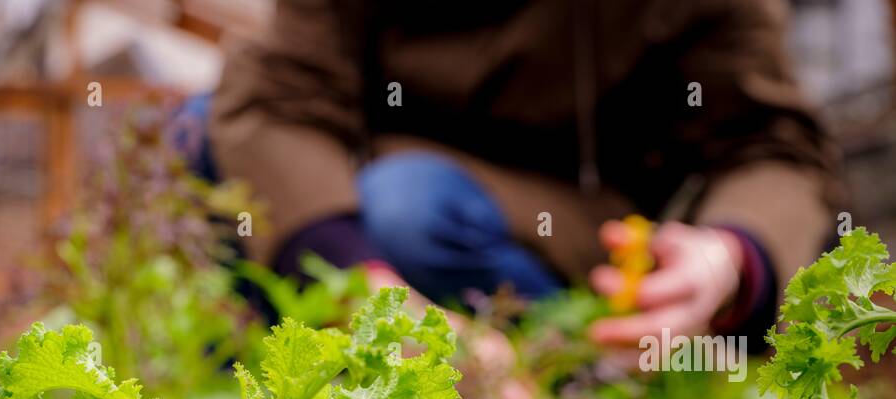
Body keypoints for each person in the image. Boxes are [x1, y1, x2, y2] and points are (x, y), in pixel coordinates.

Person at [204, 0, 841, 348]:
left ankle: (560, 382)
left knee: (407, 208)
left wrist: (727, 258)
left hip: (580, 225)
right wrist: (366, 295)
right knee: (200, 134)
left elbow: (771, 144)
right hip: (369, 179)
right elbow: (279, 96)